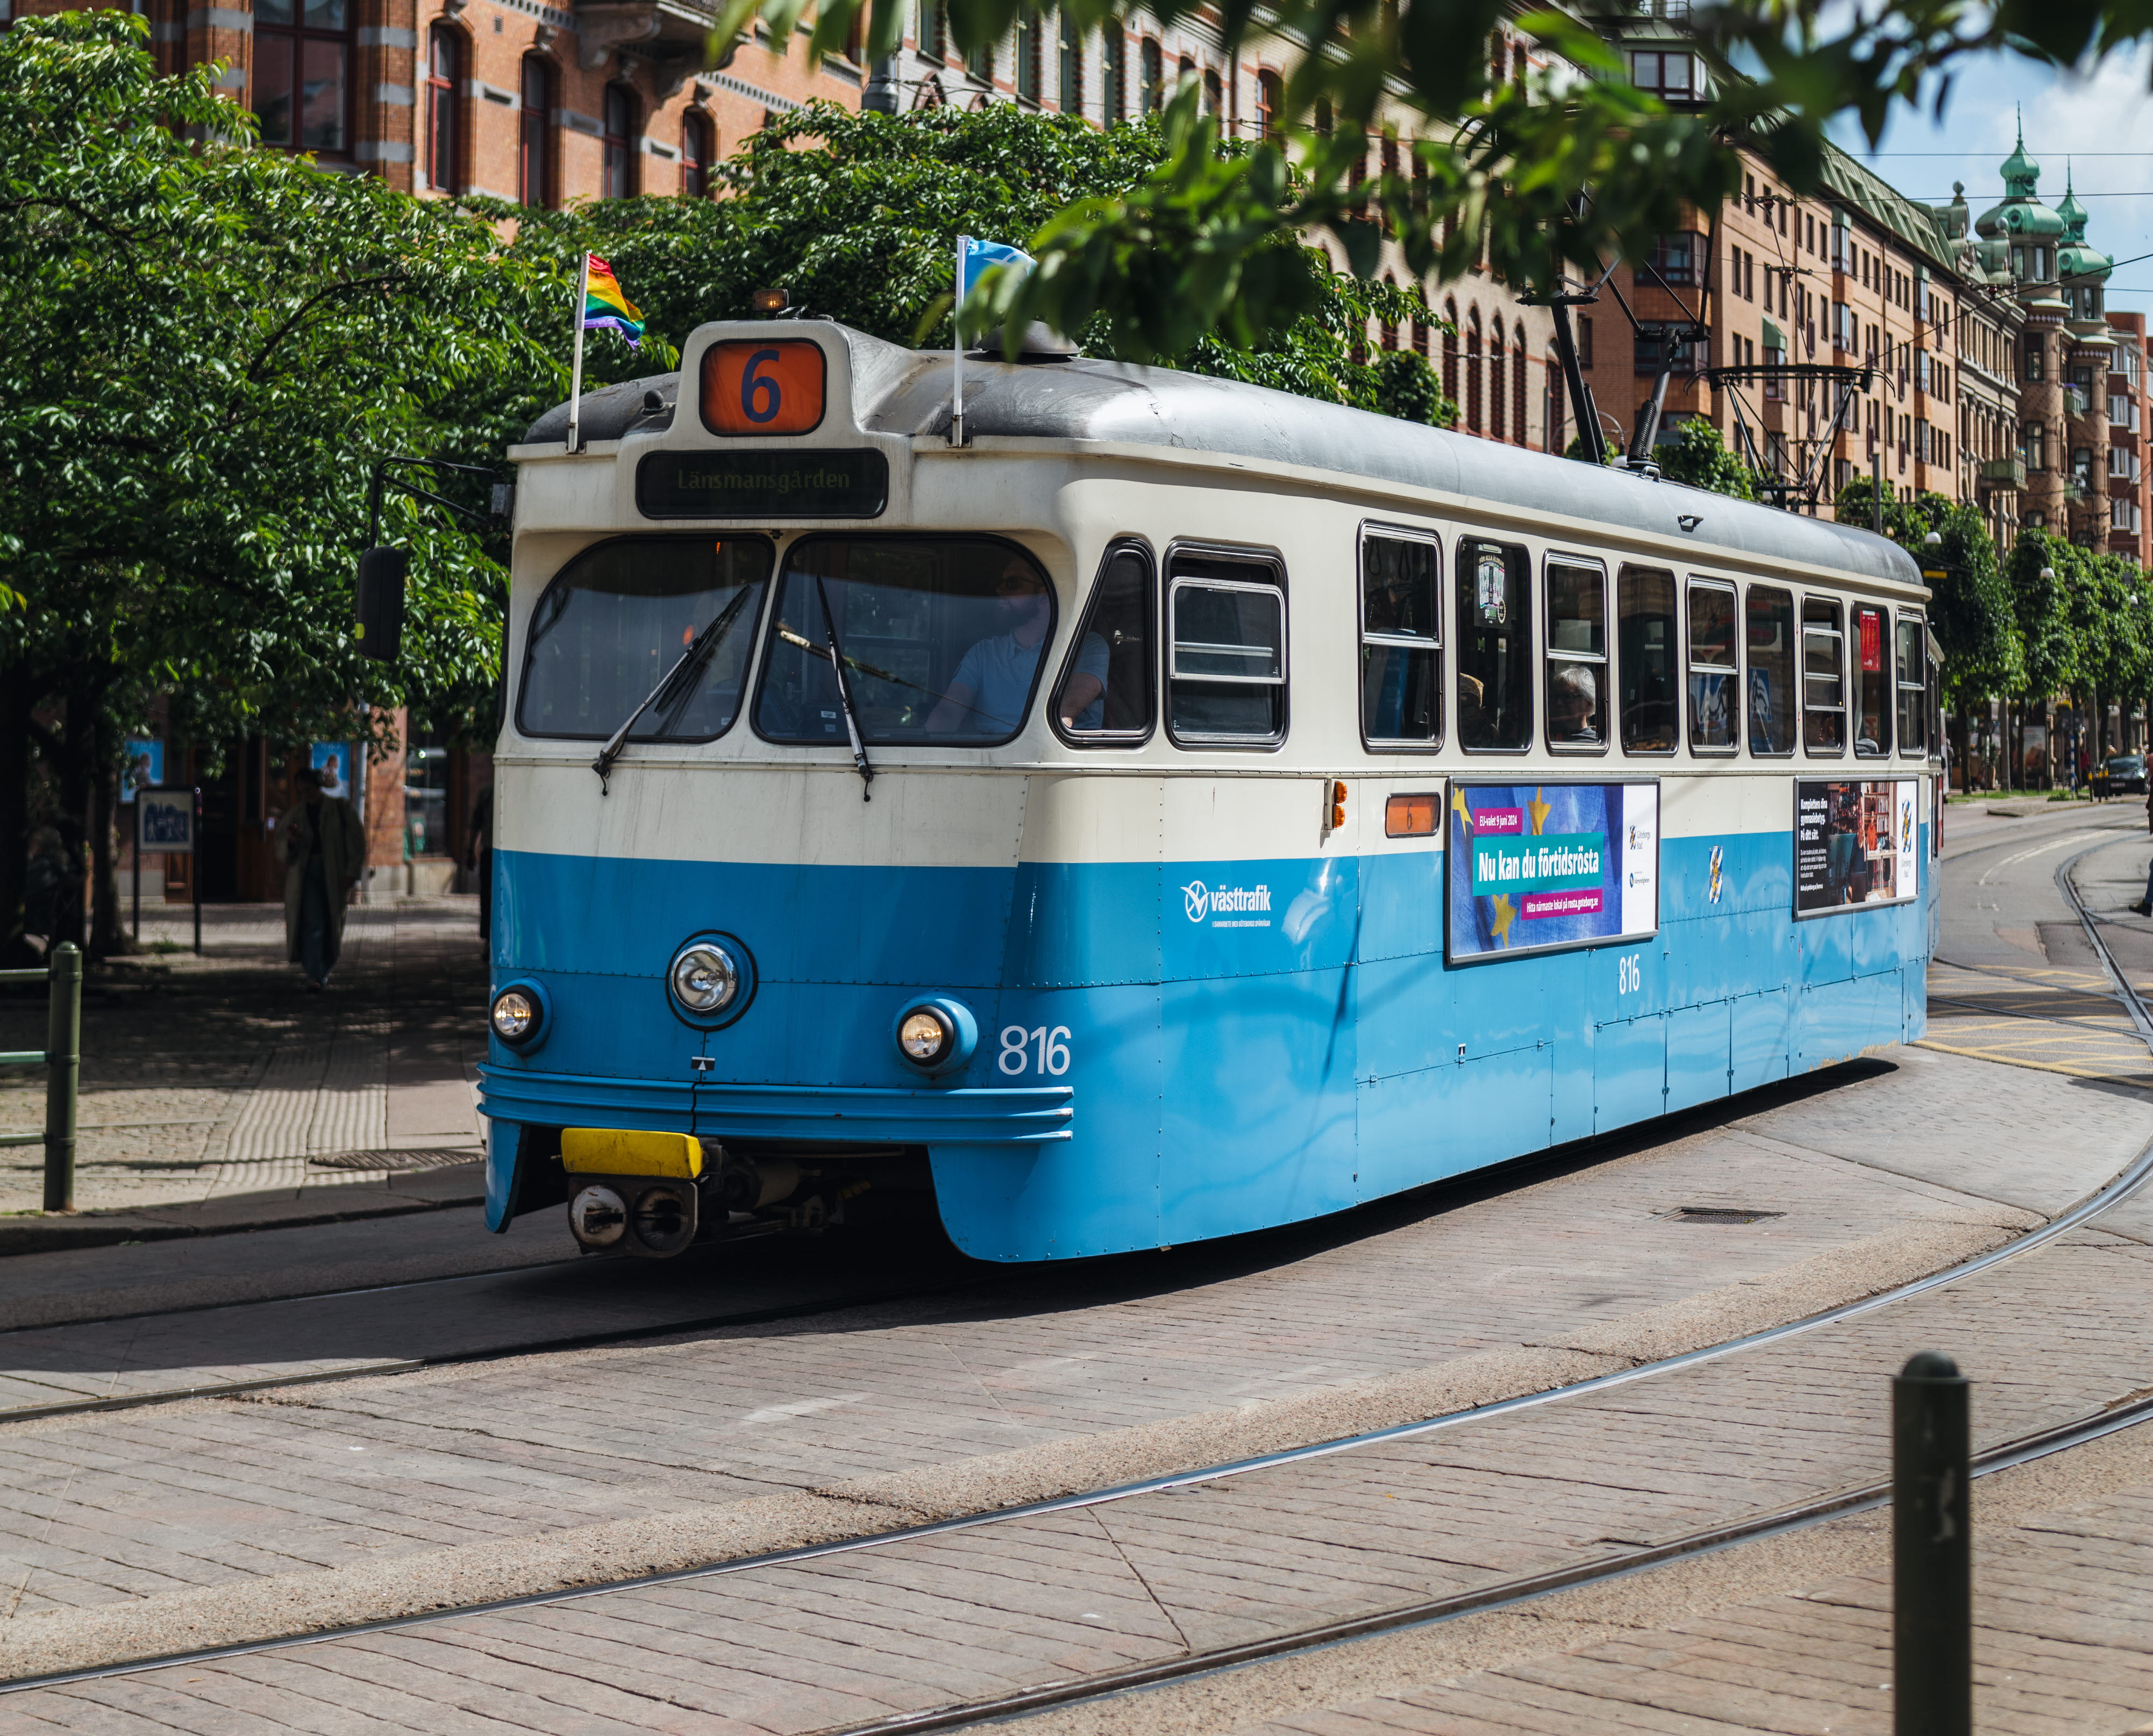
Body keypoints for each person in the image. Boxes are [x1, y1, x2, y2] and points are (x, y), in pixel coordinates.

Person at [925, 558, 1056, 737]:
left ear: (1043, 594)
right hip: (991, 754)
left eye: (1013, 583)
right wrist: (930, 742)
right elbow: (950, 709)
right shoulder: (983, 653)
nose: (1000, 590)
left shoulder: (1081, 650)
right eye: (1001, 582)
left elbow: (1067, 712)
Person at [281, 766, 366, 987]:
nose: (306, 795)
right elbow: (283, 848)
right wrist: (293, 842)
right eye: (301, 791)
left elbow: (358, 844)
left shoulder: (340, 809)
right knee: (313, 922)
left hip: (334, 872)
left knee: (332, 922)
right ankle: (314, 973)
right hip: (307, 872)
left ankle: (323, 968)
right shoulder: (298, 813)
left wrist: (351, 873)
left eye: (309, 790)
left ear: (318, 787)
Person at [466, 783, 495, 944]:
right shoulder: (487, 791)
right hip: (490, 849)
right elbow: (477, 822)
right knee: (487, 894)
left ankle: (487, 937)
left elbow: (476, 822)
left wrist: (470, 851)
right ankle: (487, 937)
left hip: (490, 850)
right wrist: (470, 850)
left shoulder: (488, 791)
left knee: (487, 894)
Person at [1548, 663, 1600, 745]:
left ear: (1588, 704)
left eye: (1567, 697)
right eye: (1555, 697)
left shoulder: (1595, 744)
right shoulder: (1548, 739)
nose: (1558, 703)